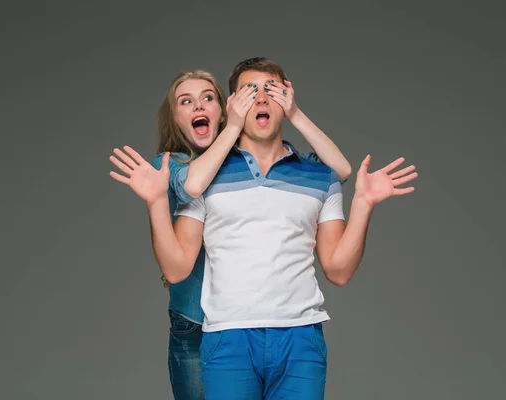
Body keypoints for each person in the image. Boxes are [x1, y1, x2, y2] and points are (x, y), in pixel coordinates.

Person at [136, 57, 418, 399]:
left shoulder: (319, 175)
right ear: (234, 106)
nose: (262, 98)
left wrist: (363, 204)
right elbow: (177, 267)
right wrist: (155, 202)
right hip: (227, 335)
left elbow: (339, 271)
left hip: (300, 338)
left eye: (272, 89)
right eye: (249, 91)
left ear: (288, 98)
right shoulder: (204, 175)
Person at [109, 68, 353, 399]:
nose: (198, 107)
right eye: (186, 101)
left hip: (257, 325)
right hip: (199, 320)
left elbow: (338, 172)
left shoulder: (244, 163)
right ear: (175, 118)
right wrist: (237, 126)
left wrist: (291, 112)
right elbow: (193, 188)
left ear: (223, 109)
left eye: (208, 98)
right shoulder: (178, 167)